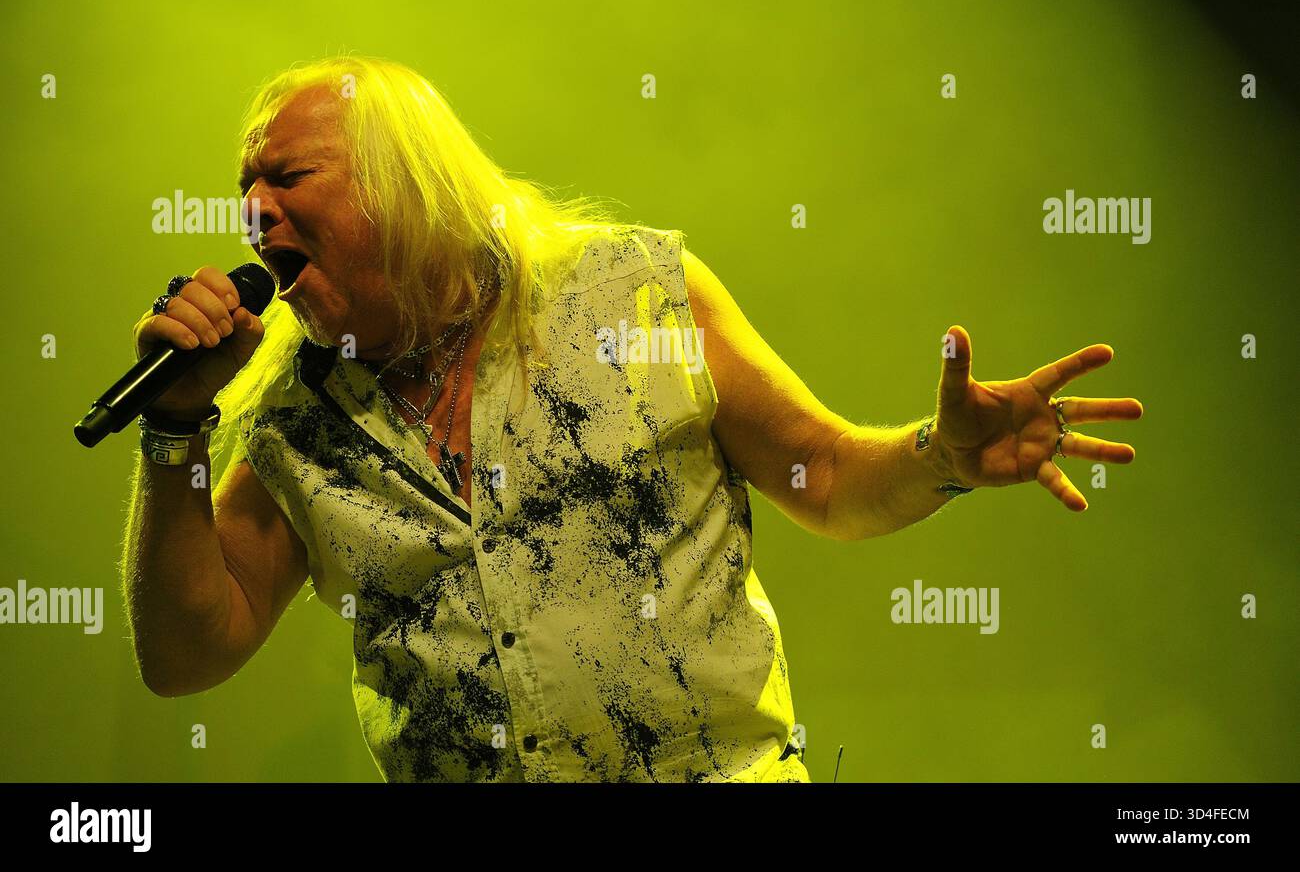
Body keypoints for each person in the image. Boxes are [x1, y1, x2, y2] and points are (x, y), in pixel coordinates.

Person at [121, 56, 1143, 782]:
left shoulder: (631, 295)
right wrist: (172, 429)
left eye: (286, 176)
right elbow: (186, 655)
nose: (252, 210)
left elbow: (824, 478)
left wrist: (941, 453)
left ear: (402, 176)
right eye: (242, 187)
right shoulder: (298, 415)